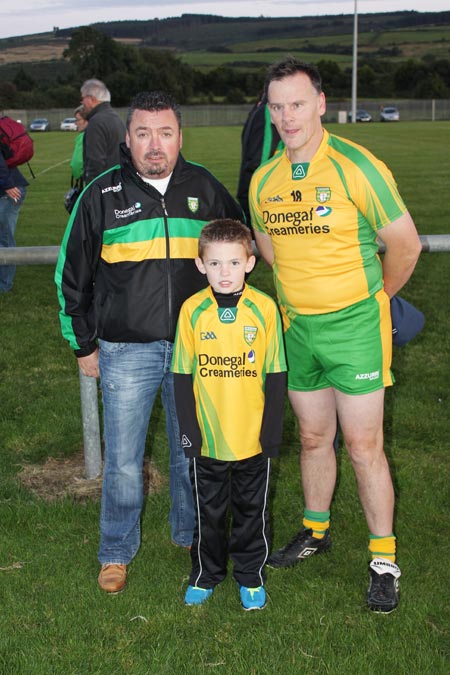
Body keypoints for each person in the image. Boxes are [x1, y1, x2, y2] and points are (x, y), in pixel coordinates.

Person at [249, 57, 422, 613]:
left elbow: (405, 244)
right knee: (312, 438)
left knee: (364, 445)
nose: (286, 117)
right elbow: (270, 250)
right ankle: (315, 532)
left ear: (320, 104)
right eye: (277, 107)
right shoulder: (263, 179)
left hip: (355, 329)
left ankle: (383, 558)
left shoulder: (356, 166)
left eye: (296, 104)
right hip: (298, 329)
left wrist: (379, 300)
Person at [55, 90, 245, 594]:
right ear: (128, 138)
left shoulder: (205, 188)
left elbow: (240, 253)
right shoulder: (102, 194)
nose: (154, 144)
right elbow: (71, 277)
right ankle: (115, 551)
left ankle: (189, 533)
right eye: (143, 133)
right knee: (121, 460)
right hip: (124, 351)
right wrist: (84, 345)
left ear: (180, 136)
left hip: (195, 350)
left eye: (164, 133)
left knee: (190, 450)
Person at [171, 219, 287, 610]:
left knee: (252, 511)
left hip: (252, 438)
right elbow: (182, 377)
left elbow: (275, 376)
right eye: (215, 263)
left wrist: (271, 434)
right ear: (200, 264)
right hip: (208, 438)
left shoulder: (264, 309)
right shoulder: (192, 311)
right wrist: (189, 433)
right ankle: (206, 573)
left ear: (250, 263)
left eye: (234, 263)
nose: (225, 272)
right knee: (209, 513)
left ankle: (251, 575)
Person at [236, 92, 282, 227]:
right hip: (261, 197)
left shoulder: (258, 110)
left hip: (251, 191)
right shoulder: (266, 112)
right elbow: (260, 161)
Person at [80, 78, 126, 183]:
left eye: (83, 98)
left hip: (103, 188)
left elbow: (95, 162)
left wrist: (91, 191)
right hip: (118, 183)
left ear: (91, 99)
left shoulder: (96, 122)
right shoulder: (116, 118)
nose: (82, 102)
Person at [0, 147, 28, 293]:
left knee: (4, 238)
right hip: (8, 187)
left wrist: (7, 184)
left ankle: (4, 285)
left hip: (8, 190)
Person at [69, 105, 89, 182]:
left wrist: (78, 175)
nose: (75, 123)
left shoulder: (83, 137)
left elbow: (76, 164)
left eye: (78, 120)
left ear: (86, 120)